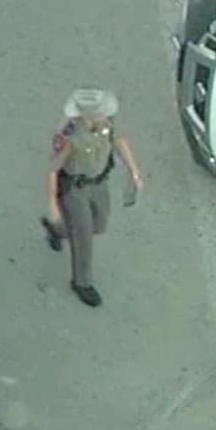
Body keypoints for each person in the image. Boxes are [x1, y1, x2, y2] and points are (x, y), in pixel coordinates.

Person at [40, 89, 144, 307]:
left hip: (99, 184)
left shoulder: (107, 124)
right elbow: (53, 170)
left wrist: (133, 171)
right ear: (86, 115)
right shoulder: (70, 137)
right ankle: (82, 282)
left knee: (99, 225)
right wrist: (53, 205)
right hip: (75, 189)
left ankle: (57, 230)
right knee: (83, 237)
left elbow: (119, 141)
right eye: (101, 112)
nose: (106, 115)